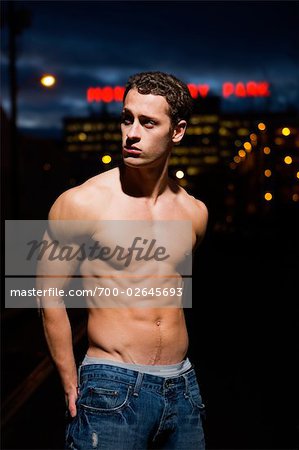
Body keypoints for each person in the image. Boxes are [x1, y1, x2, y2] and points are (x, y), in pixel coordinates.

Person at [38, 71, 208, 449]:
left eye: (148, 122)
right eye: (127, 118)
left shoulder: (194, 212)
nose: (132, 132)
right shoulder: (81, 202)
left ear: (177, 131)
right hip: (111, 383)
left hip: (183, 385)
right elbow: (46, 294)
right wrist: (69, 379)